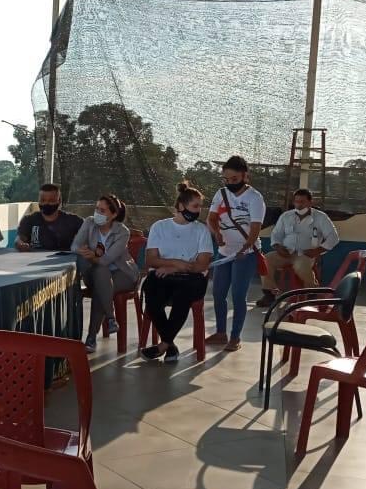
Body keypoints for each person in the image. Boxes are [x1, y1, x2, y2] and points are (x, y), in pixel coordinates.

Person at [141, 183, 214, 363]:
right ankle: (170, 345)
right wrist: (175, 263)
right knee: (152, 293)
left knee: (183, 296)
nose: (198, 211)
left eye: (200, 207)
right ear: (181, 206)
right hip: (163, 275)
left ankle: (163, 345)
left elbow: (202, 264)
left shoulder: (201, 230)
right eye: (195, 206)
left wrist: (176, 268)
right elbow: (151, 260)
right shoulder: (159, 227)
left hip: (192, 278)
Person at [206, 155, 266, 352]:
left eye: (234, 179)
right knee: (218, 293)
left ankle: (235, 337)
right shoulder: (221, 194)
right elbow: (211, 218)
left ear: (245, 176)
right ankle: (220, 333)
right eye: (226, 179)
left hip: (245, 254)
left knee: (238, 295)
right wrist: (216, 234)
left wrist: (245, 248)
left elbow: (255, 228)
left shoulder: (254, 198)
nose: (230, 183)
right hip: (224, 252)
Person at [71, 194, 138, 352]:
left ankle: (91, 338)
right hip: (94, 272)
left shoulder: (122, 232)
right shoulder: (89, 222)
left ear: (113, 214)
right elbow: (74, 246)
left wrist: (93, 257)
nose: (97, 213)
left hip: (122, 273)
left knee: (101, 287)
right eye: (96, 209)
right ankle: (110, 317)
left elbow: (107, 259)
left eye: (102, 211)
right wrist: (82, 251)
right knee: (101, 276)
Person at [256, 189, 339, 308]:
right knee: (265, 260)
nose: (299, 205)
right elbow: (276, 234)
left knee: (300, 265)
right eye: (296, 202)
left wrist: (317, 251)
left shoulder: (321, 217)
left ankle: (312, 291)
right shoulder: (286, 216)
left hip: (306, 254)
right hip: (285, 252)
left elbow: (333, 237)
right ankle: (269, 294)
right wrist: (278, 247)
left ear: (310, 202)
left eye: (302, 202)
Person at [15, 183, 83, 252]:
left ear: (59, 201)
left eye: (51, 201)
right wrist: (20, 244)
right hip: (34, 257)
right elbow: (20, 238)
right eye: (43, 200)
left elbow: (87, 237)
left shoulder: (74, 221)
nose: (46, 203)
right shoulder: (29, 220)